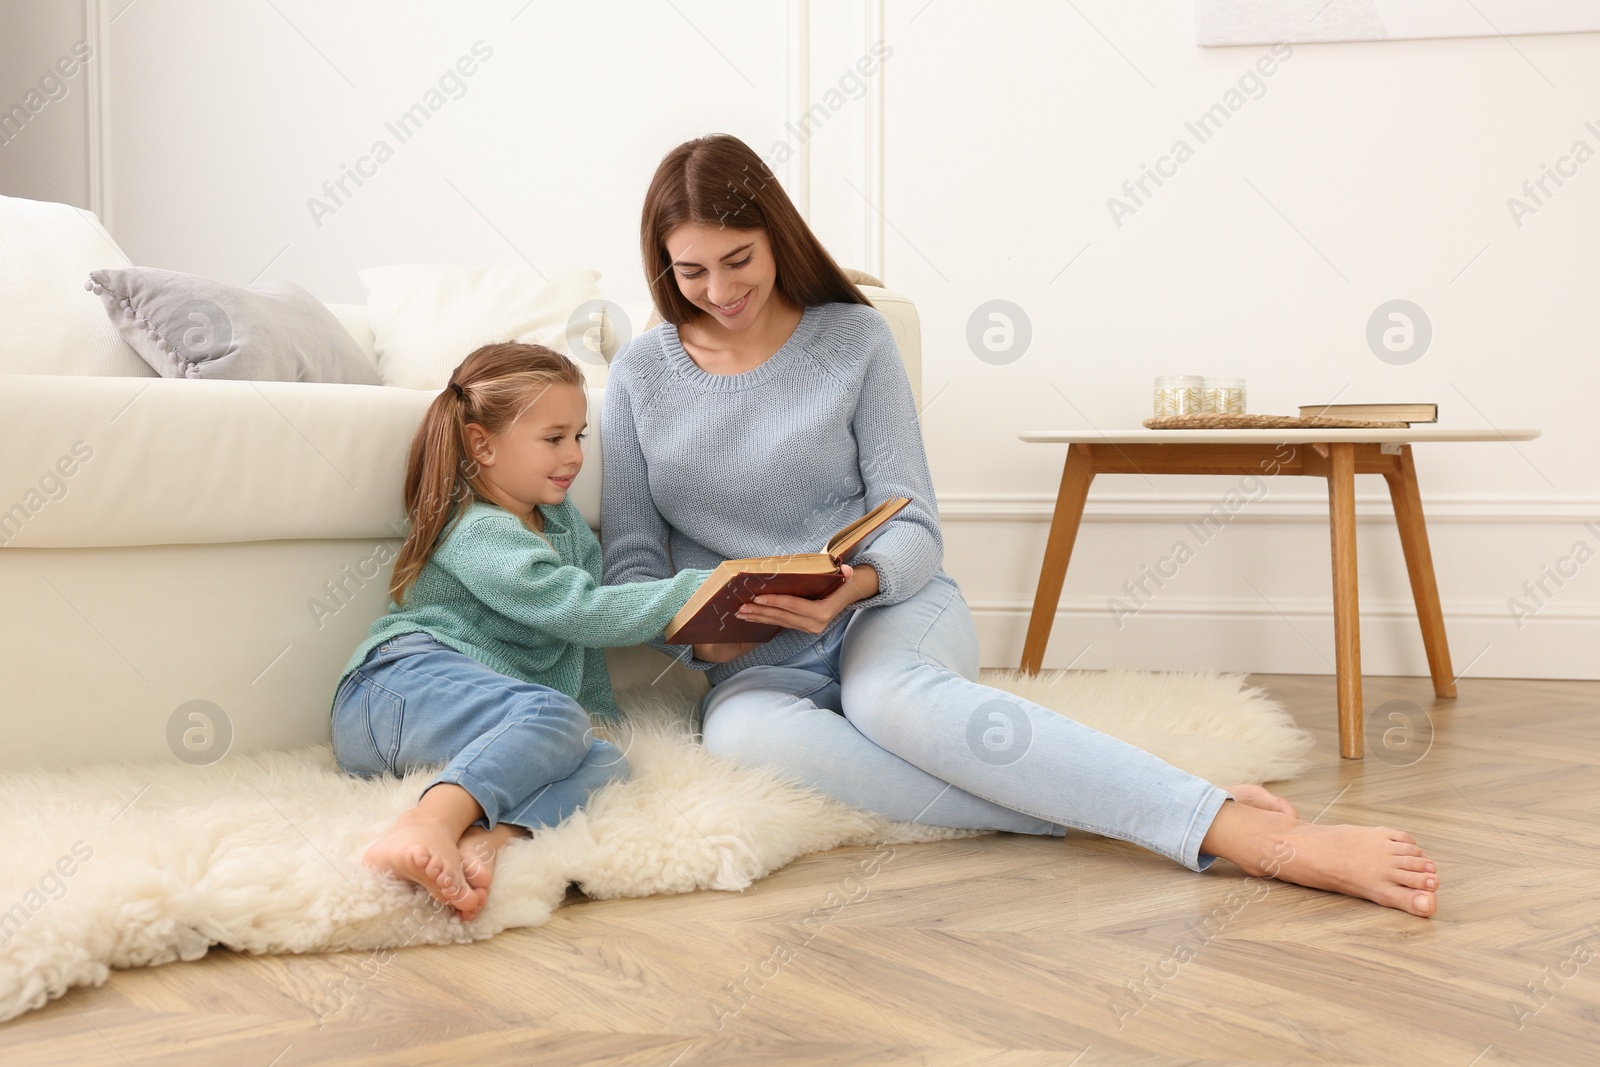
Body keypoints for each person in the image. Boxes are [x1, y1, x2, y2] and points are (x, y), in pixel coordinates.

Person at [600, 134, 1440, 917]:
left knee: (890, 702)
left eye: (738, 259)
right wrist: (695, 637)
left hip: (886, 611)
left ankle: (1253, 836)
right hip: (750, 660)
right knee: (742, 736)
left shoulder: (854, 340)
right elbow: (632, 560)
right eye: (691, 271)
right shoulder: (641, 373)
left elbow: (915, 523)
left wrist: (854, 582)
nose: (718, 290)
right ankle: (1140, 801)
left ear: (777, 235)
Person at [332, 342, 710, 920]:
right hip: (394, 691)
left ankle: (490, 839)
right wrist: (700, 588)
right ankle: (426, 823)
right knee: (558, 717)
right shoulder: (476, 529)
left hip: (474, 724)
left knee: (606, 760)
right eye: (554, 438)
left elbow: (578, 649)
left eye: (580, 436)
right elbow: (578, 610)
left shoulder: (562, 527)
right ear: (482, 444)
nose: (575, 455)